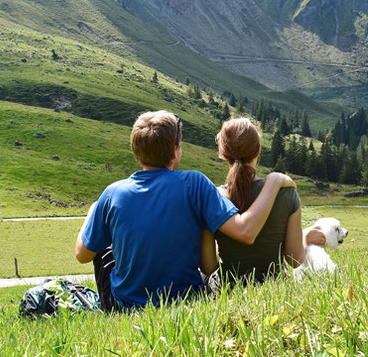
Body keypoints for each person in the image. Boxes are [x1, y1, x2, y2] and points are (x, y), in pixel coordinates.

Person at [74, 110, 297, 311]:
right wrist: (274, 182)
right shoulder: (195, 183)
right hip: (187, 299)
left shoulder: (112, 193)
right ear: (175, 151)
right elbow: (242, 232)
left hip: (126, 307)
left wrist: (94, 210)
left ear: (136, 151)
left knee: (103, 250)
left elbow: (82, 255)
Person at [205, 117, 325, 283]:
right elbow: (295, 259)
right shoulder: (286, 193)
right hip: (274, 285)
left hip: (228, 289)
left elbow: (209, 267)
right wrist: (303, 236)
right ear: (258, 151)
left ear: (223, 154)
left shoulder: (213, 197)